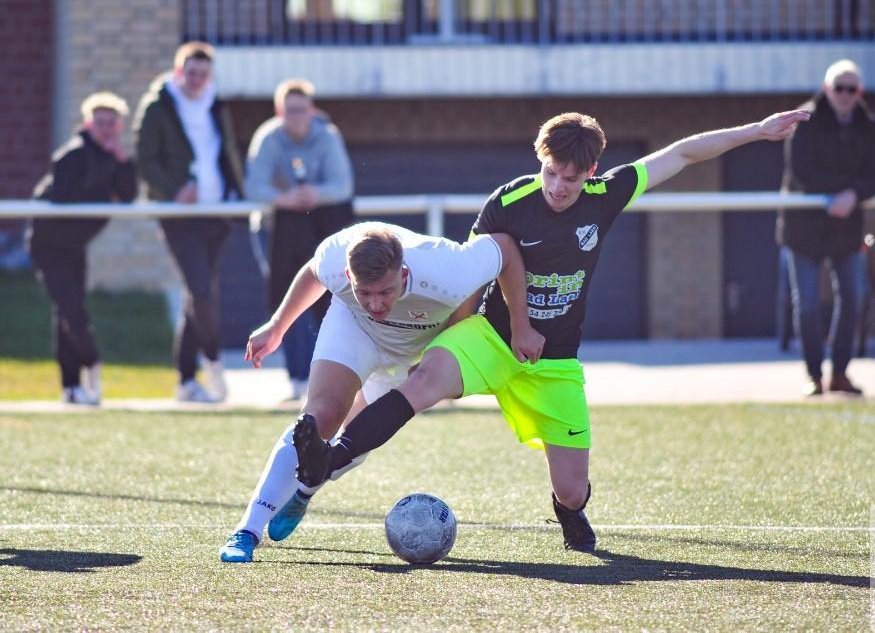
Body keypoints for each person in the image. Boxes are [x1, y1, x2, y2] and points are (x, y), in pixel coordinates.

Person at [291, 108, 809, 553]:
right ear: (539, 161)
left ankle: (568, 509)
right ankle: (328, 459)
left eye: (571, 177)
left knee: (572, 488)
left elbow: (682, 153)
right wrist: (460, 332)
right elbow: (476, 271)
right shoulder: (509, 202)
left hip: (554, 360)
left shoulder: (606, 195)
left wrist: (758, 131)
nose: (559, 187)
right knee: (421, 382)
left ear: (592, 172)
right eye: (550, 173)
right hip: (491, 337)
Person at [218, 221, 535, 562]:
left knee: (353, 442)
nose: (375, 304)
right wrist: (278, 326)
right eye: (363, 292)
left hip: (412, 355)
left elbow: (504, 247)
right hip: (355, 332)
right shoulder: (335, 257)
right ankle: (247, 530)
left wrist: (520, 325)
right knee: (317, 418)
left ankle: (305, 490)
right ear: (347, 275)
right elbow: (314, 271)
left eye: (385, 292)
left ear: (403, 272)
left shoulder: (448, 270)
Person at [134, 41, 244, 403]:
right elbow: (146, 158)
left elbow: (225, 151)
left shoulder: (216, 103)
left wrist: (236, 192)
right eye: (190, 72)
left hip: (216, 213)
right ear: (178, 71)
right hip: (179, 215)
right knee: (201, 292)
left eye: (203, 73)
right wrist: (173, 190)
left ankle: (185, 381)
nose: (196, 79)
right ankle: (213, 366)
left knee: (198, 296)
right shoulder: (158, 106)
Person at [777, 60, 875, 397]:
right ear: (827, 89)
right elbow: (801, 173)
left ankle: (840, 373)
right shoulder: (804, 120)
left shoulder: (868, 126)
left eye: (851, 88)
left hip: (848, 228)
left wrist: (852, 194)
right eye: (838, 87)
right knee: (808, 302)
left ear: (859, 92)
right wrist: (840, 192)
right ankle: (814, 375)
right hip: (803, 228)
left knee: (854, 299)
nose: (844, 94)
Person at [246, 78, 355, 400]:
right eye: (289, 110)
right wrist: (286, 198)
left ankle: (322, 376)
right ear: (280, 111)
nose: (296, 116)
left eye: (301, 110)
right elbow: (255, 186)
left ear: (312, 110)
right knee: (288, 301)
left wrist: (313, 194)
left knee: (324, 300)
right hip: (274, 230)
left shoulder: (328, 137)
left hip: (319, 232)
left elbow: (342, 185)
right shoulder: (267, 138)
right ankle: (296, 376)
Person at [26, 92, 137, 405]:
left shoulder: (113, 158)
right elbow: (65, 198)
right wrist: (105, 193)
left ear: (118, 126)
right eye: (99, 123)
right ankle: (93, 363)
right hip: (48, 246)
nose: (105, 129)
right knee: (72, 310)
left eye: (111, 124)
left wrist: (123, 162)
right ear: (89, 123)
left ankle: (71, 387)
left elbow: (127, 195)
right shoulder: (72, 155)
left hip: (75, 247)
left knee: (67, 312)